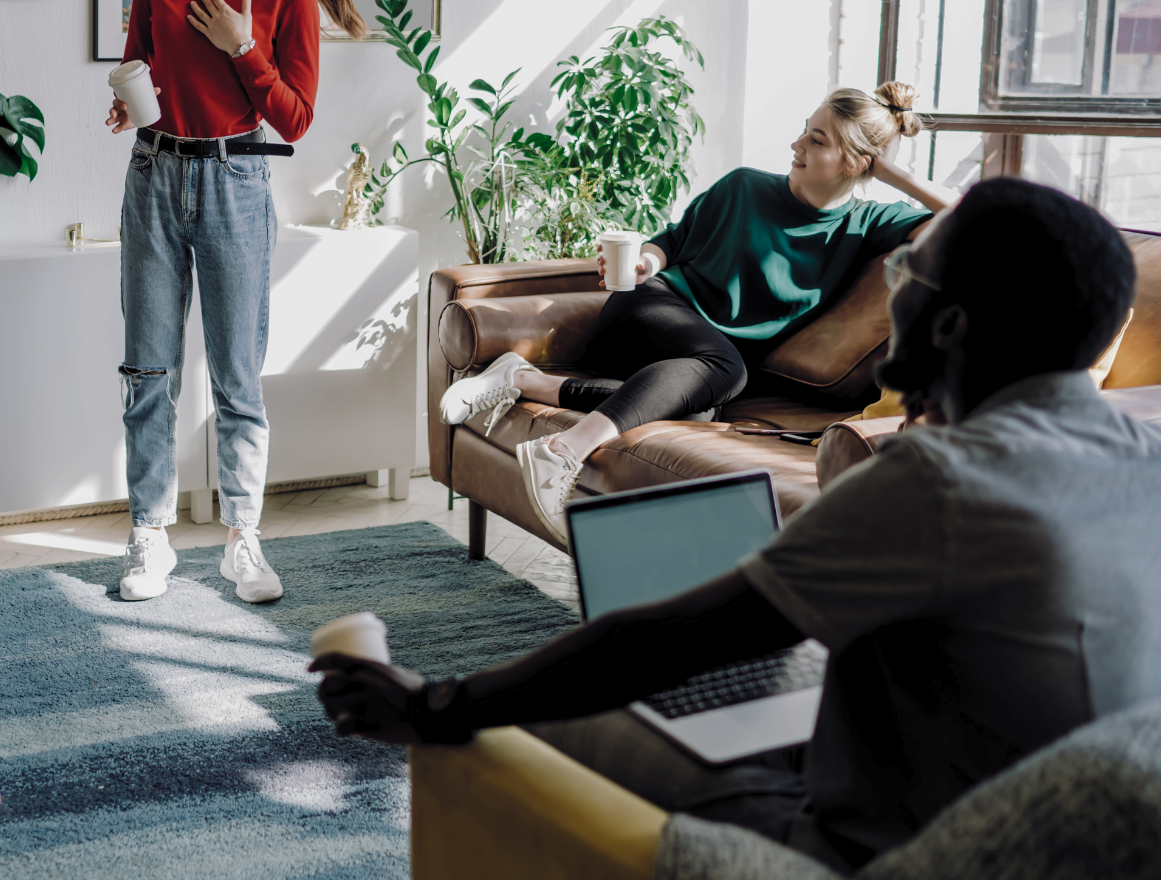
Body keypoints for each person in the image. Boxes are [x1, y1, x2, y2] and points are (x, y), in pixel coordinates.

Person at [314, 178, 1161, 871]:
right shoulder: (1147, 455)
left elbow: (674, 641)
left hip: (866, 851)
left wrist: (432, 703)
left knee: (570, 716)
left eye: (906, 281)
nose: (890, 301)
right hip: (1032, 831)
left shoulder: (942, 481)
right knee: (778, 693)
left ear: (948, 325)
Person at [438, 82, 961, 535]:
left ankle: (525, 380)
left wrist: (893, 175)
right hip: (651, 312)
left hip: (692, 371)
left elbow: (970, 211)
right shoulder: (744, 187)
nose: (796, 144)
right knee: (725, 368)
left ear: (854, 162)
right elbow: (670, 240)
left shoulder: (869, 222)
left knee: (704, 406)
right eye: (805, 129)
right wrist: (644, 262)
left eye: (816, 139)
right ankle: (564, 450)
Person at [101, 0, 367, 604]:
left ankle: (242, 540)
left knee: (236, 377)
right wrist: (127, 105)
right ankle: (149, 536)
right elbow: (140, 63)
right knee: (148, 370)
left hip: (236, 181)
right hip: (153, 175)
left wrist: (244, 46)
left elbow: (295, 119)